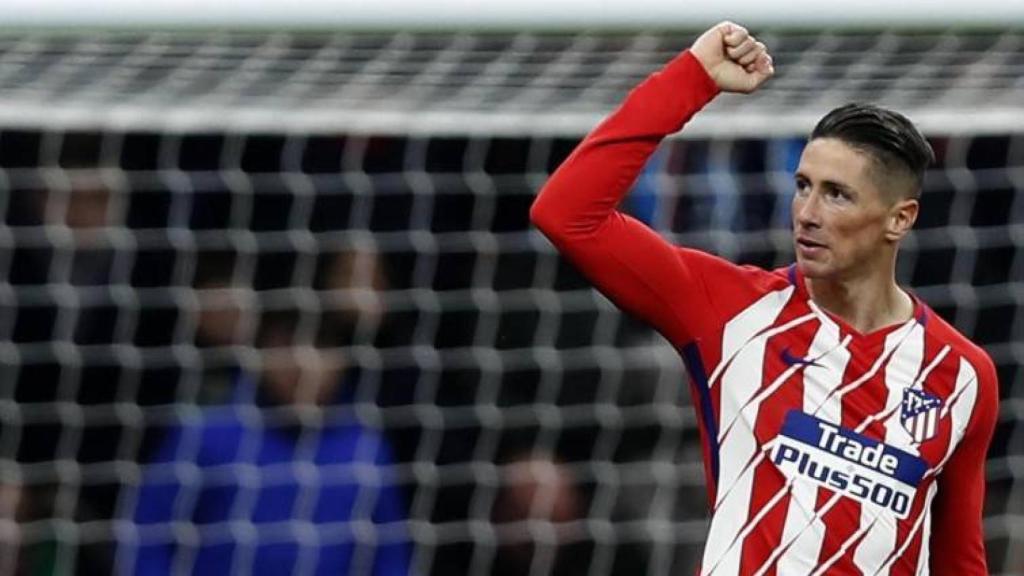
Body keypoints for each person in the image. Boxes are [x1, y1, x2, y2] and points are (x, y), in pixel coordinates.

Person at [530, 21, 998, 576]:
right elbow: (566, 214)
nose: (807, 214)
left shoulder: (963, 374)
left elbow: (960, 560)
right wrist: (693, 78)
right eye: (803, 186)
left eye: (837, 195)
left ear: (900, 218)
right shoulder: (731, 310)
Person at [118, 307, 411, 576]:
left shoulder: (365, 449)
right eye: (287, 342)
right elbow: (146, 540)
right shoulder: (206, 433)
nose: (303, 363)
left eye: (321, 346)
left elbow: (390, 557)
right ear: (260, 350)